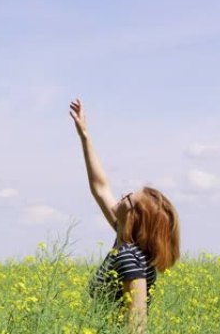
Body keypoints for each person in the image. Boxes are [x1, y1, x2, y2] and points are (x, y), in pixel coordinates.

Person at [69, 98, 180, 333]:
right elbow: (100, 187)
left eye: (127, 198)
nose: (120, 196)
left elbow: (136, 327)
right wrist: (85, 136)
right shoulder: (125, 241)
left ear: (133, 218)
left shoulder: (130, 258)